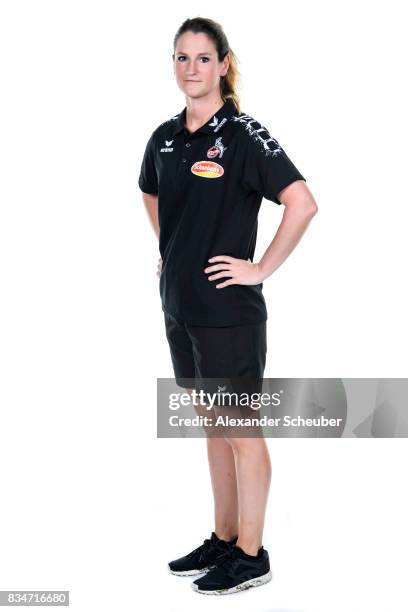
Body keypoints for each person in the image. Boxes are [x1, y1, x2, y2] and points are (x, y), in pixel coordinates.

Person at [138, 17, 318, 596]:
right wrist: (170, 248)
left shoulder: (244, 136)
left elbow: (303, 203)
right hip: (179, 309)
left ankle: (252, 553)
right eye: (182, 58)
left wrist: (260, 268)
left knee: (240, 428)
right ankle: (223, 536)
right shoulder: (165, 136)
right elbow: (149, 190)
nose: (191, 68)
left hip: (228, 314)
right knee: (213, 426)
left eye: (202, 58)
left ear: (223, 64)